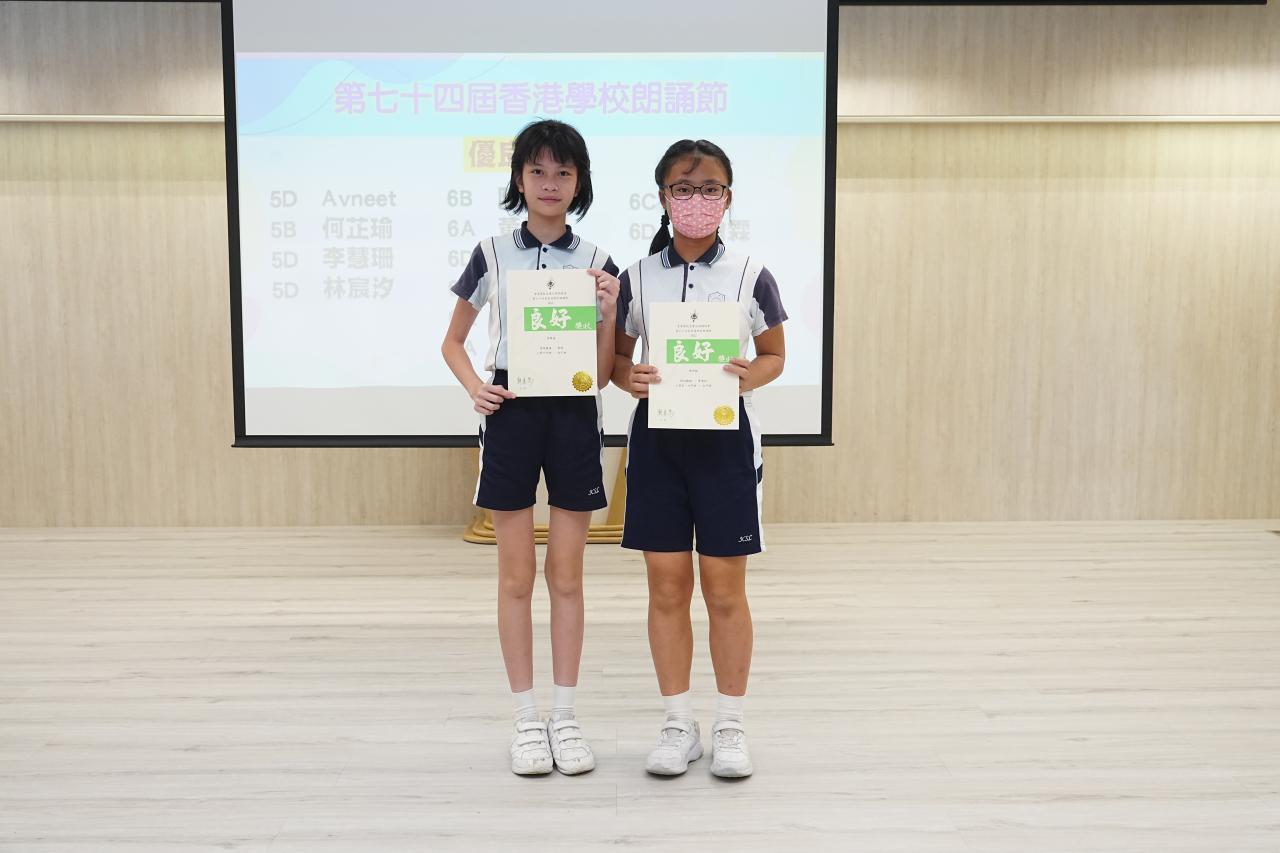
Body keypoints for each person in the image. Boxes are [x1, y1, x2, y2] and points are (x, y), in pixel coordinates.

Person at [441, 119, 620, 776]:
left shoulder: (598, 261)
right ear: (519, 178)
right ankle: (525, 720)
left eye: (563, 172)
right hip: (512, 413)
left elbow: (601, 374)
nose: (550, 183)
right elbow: (452, 342)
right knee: (515, 576)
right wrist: (476, 388)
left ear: (580, 182)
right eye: (538, 171)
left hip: (573, 413)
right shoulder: (491, 253)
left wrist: (608, 314)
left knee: (566, 575)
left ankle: (565, 717)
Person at [612, 139, 787, 778]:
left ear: (728, 198)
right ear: (662, 197)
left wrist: (743, 377)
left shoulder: (750, 274)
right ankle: (678, 724)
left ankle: (731, 725)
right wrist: (628, 376)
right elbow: (616, 360)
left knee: (724, 590)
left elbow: (774, 356)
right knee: (666, 587)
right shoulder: (636, 276)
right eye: (683, 189)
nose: (696, 200)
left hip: (724, 444)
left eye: (709, 188)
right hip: (658, 446)